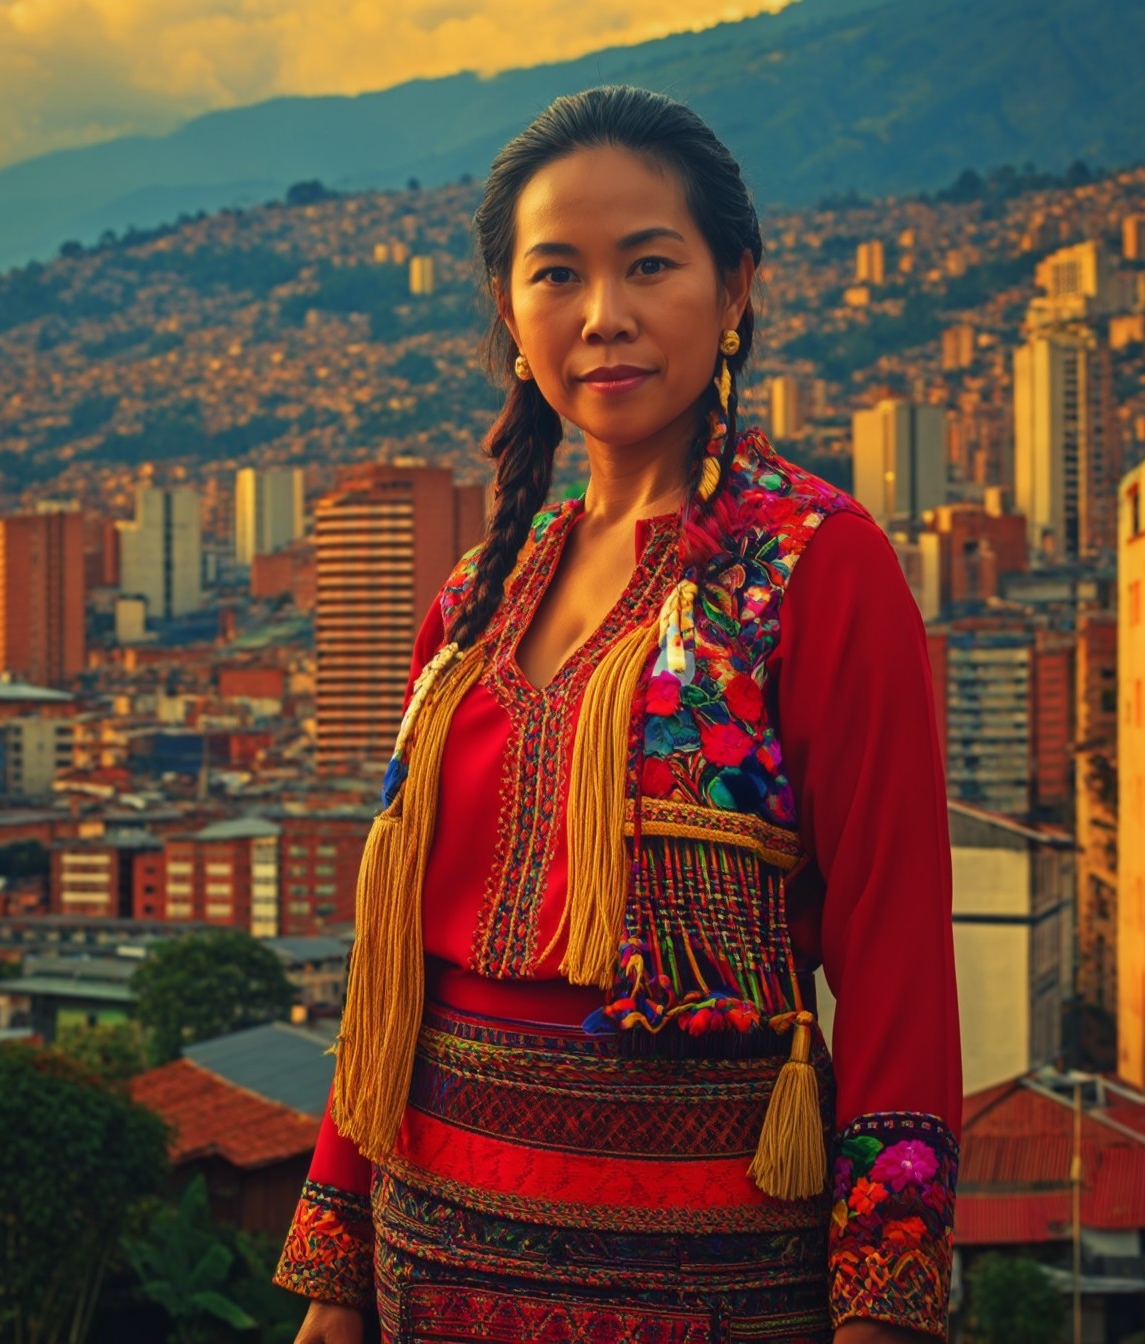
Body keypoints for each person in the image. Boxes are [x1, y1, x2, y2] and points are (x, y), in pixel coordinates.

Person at [274, 85, 960, 1344]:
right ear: (509, 310)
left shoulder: (818, 564)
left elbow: (896, 946)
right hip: (428, 1271)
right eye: (557, 276)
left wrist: (887, 1307)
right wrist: (333, 1273)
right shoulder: (474, 601)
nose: (603, 318)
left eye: (650, 264)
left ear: (736, 284)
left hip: (705, 1286)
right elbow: (390, 984)